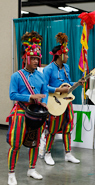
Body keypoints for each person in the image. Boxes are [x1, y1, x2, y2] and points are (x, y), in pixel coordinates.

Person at [7, 31, 48, 185]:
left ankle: (32, 169)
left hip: (36, 113)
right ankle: (11, 173)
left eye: (38, 58)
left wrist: (43, 102)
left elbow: (44, 92)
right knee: (16, 144)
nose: (37, 61)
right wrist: (30, 97)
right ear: (26, 58)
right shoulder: (16, 76)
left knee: (35, 143)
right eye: (34, 59)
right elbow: (12, 95)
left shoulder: (41, 76)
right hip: (20, 112)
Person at [43, 32, 84, 166]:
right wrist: (59, 90)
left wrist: (77, 83)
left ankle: (68, 153)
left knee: (68, 127)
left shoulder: (66, 67)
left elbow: (68, 83)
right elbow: (43, 87)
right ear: (59, 55)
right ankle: (47, 153)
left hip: (66, 102)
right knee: (53, 129)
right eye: (65, 54)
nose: (67, 57)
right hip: (54, 103)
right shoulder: (48, 69)